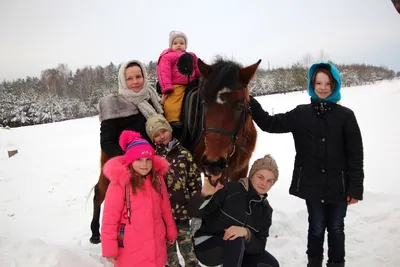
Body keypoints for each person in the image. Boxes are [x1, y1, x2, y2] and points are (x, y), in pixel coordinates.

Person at [249, 62, 364, 267]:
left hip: (340, 186)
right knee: (317, 227)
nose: (322, 87)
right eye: (318, 82)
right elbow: (270, 123)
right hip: (312, 184)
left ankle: (337, 263)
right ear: (312, 84)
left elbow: (355, 155)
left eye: (327, 83)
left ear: (334, 85)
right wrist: (249, 101)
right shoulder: (301, 113)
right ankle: (314, 263)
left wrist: (355, 187)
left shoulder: (346, 116)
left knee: (337, 227)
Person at [101, 130, 178, 267]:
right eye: (139, 159)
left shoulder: (157, 180)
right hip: (130, 246)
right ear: (130, 160)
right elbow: (110, 218)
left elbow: (165, 208)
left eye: (148, 159)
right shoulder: (120, 183)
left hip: (156, 243)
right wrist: (109, 248)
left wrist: (171, 231)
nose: (145, 164)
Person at [188, 155, 280, 267]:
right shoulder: (229, 190)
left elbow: (259, 246)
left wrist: (247, 233)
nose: (264, 183)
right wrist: (204, 195)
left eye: (269, 181)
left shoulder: (266, 211)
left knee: (270, 264)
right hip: (207, 245)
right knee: (235, 240)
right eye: (260, 177)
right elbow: (193, 212)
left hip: (239, 249)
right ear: (251, 175)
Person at [145, 114, 202, 267]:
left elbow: (195, 183)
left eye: (163, 131)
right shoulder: (151, 159)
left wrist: (197, 209)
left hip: (183, 214)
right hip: (162, 217)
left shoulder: (185, 154)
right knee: (170, 258)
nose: (161, 136)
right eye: (156, 135)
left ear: (170, 130)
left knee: (189, 253)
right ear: (152, 139)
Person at [98, 59, 164, 158]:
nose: (135, 82)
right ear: (123, 81)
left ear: (144, 77)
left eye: (138, 77)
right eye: (129, 78)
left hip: (159, 157)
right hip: (135, 165)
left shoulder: (153, 98)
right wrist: (131, 158)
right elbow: (107, 143)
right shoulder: (114, 105)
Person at [156, 30, 201, 137]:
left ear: (186, 45)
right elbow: (164, 72)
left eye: (182, 43)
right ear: (171, 45)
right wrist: (167, 87)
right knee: (173, 101)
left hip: (192, 84)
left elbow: (197, 68)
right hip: (177, 84)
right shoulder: (168, 56)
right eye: (175, 43)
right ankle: (172, 120)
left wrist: (203, 78)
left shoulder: (192, 56)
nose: (179, 45)